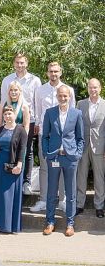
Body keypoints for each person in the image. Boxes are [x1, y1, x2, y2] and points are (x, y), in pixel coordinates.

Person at [31, 61, 75, 213]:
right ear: (47, 73)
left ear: (60, 72)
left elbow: (73, 113)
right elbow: (37, 110)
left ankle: (62, 200)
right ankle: (43, 199)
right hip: (46, 134)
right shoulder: (40, 90)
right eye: (51, 71)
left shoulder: (68, 90)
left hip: (63, 136)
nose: (53, 74)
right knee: (45, 168)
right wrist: (37, 124)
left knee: (63, 167)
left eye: (56, 71)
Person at [41, 85, 84, 237]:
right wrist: (47, 153)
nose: (63, 98)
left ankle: (70, 223)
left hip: (70, 158)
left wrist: (77, 154)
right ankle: (50, 222)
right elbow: (44, 135)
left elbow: (80, 138)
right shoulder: (50, 112)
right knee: (52, 192)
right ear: (57, 96)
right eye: (60, 95)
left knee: (71, 192)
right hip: (54, 156)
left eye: (65, 96)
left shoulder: (77, 113)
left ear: (69, 97)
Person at [0, 53, 41, 194]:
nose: (19, 65)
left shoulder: (35, 80)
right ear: (14, 64)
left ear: (26, 64)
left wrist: (37, 122)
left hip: (27, 119)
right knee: (9, 149)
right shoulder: (7, 80)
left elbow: (37, 102)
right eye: (17, 62)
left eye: (22, 62)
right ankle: (10, 176)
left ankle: (26, 182)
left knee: (27, 150)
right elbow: (4, 103)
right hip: (9, 120)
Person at [0, 106, 27, 234]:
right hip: (0, 165)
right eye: (5, 114)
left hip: (14, 166)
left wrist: (19, 165)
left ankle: (9, 225)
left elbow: (22, 149)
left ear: (14, 115)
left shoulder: (21, 130)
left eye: (10, 114)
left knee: (10, 195)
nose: (7, 116)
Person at [77, 78, 105, 217]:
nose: (93, 90)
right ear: (87, 88)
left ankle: (99, 206)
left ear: (100, 88)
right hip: (83, 146)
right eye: (90, 87)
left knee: (99, 178)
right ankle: (79, 205)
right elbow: (76, 126)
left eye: (95, 87)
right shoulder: (80, 104)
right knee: (80, 176)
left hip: (100, 146)